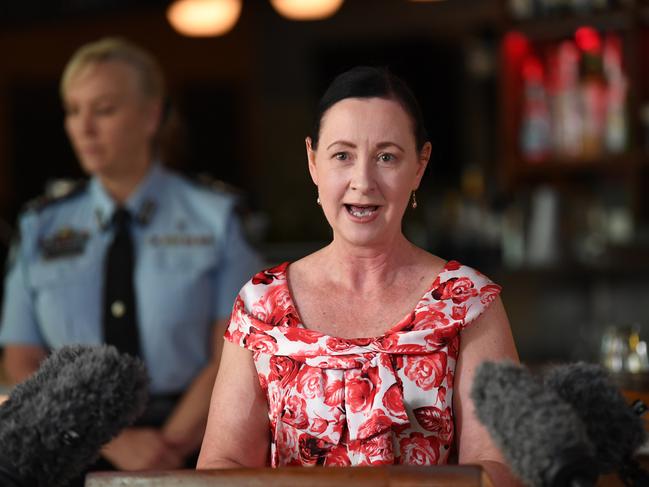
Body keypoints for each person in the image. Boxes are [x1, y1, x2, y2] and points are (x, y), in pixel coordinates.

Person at [197, 66, 521, 485]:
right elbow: (222, 467)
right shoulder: (262, 304)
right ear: (314, 162)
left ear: (419, 166)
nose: (363, 181)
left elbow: (499, 469)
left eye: (386, 157)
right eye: (342, 156)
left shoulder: (468, 301)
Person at [0, 37, 263, 472]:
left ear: (151, 115)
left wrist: (171, 444)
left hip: (200, 438)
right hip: (68, 442)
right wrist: (110, 439)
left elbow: (235, 351)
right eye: (73, 110)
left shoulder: (216, 219)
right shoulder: (39, 227)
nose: (84, 127)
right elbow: (22, 358)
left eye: (103, 110)